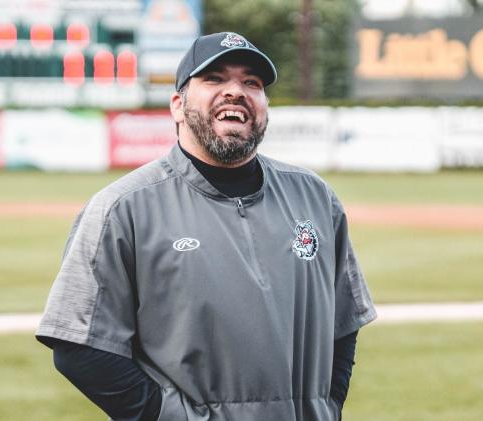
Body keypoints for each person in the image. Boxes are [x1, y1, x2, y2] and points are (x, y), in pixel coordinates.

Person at [36, 32, 376, 421]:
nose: (236, 91)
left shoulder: (315, 197)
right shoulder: (123, 208)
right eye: (214, 79)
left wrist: (326, 408)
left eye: (252, 83)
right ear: (178, 105)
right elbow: (79, 347)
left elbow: (344, 325)